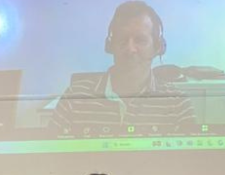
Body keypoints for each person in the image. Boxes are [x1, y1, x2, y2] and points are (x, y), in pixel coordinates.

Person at [50, 1, 195, 134]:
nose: (130, 49)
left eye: (140, 40)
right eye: (122, 40)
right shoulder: (73, 98)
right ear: (110, 45)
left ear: (157, 47)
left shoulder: (177, 103)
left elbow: (188, 161)